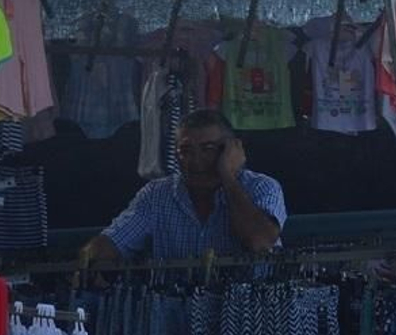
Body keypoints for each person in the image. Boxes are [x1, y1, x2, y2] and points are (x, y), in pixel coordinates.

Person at [80, 109, 285, 264]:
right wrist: (92, 259)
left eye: (208, 149)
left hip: (246, 315)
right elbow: (114, 240)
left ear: (230, 149)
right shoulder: (157, 195)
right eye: (185, 150)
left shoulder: (263, 187)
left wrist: (227, 177)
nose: (195, 161)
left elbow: (260, 242)